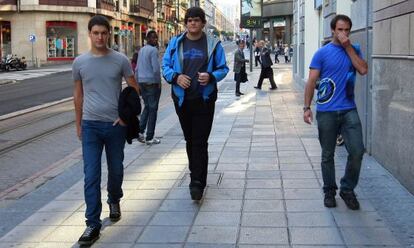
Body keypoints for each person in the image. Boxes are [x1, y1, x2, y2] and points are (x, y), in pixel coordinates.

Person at [72, 15, 140, 246]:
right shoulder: (79, 62)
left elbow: (134, 90)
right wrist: (78, 123)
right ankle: (92, 223)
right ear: (89, 34)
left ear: (109, 34)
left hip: (114, 127)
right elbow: (78, 95)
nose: (100, 37)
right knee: (91, 175)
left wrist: (124, 118)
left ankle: (114, 199)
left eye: (103, 33)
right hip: (90, 126)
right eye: (95, 33)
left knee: (116, 170)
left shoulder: (120, 60)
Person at [162, 7, 229, 201]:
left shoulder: (213, 44)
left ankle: (197, 182)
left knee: (200, 141)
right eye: (190, 20)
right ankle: (195, 174)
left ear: (203, 23)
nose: (193, 23)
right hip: (182, 100)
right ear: (186, 23)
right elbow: (165, 66)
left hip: (204, 99)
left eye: (197, 20)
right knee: (190, 140)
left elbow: (223, 68)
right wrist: (176, 77)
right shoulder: (175, 43)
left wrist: (211, 76)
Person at [303, 14, 368, 210]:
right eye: (340, 30)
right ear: (332, 30)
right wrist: (306, 107)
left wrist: (348, 47)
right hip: (327, 111)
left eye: (347, 30)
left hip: (349, 109)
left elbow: (363, 70)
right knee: (327, 154)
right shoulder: (322, 53)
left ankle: (347, 189)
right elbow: (311, 81)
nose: (344, 33)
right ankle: (329, 190)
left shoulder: (353, 50)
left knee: (357, 151)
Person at [136, 30, 162, 145]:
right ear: (147, 39)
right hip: (151, 83)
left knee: (147, 106)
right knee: (153, 110)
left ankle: (140, 132)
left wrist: (138, 83)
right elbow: (156, 69)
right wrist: (158, 82)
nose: (155, 40)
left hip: (142, 82)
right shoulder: (153, 50)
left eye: (156, 38)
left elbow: (136, 69)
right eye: (153, 38)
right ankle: (150, 137)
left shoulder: (141, 50)